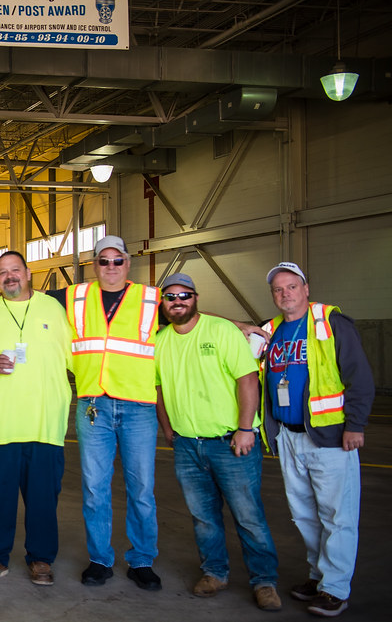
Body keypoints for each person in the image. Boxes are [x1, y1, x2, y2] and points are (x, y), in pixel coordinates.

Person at [154, 273, 282, 611]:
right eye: (170, 296)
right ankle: (214, 572)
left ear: (195, 297)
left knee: (248, 516)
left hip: (229, 442)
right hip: (186, 445)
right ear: (163, 303)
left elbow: (248, 379)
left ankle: (264, 581)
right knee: (203, 517)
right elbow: (161, 390)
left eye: (184, 295)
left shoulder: (222, 331)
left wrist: (245, 428)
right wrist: (168, 430)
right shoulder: (161, 342)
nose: (177, 301)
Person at [260, 262, 374, 618]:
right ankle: (317, 575)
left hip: (330, 438)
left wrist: (355, 425)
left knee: (337, 516)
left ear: (306, 289)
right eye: (278, 289)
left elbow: (360, 378)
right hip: (289, 438)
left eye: (292, 286)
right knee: (304, 515)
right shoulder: (270, 331)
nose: (285, 294)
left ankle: (335, 589)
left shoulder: (331, 323)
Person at [0, 252, 73, 586]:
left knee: (43, 502)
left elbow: (78, 355)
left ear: (28, 272)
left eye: (15, 270)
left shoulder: (53, 309)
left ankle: (41, 560)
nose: (9, 277)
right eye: (2, 272)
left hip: (44, 424)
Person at [59, 235, 163, 590]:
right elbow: (31, 301)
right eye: (104, 261)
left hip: (137, 406)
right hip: (93, 405)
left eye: (117, 261)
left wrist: (237, 325)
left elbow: (189, 314)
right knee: (94, 487)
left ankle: (142, 560)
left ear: (128, 264)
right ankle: (100, 559)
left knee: (141, 488)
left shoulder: (150, 298)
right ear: (94, 264)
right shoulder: (75, 296)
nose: (111, 267)